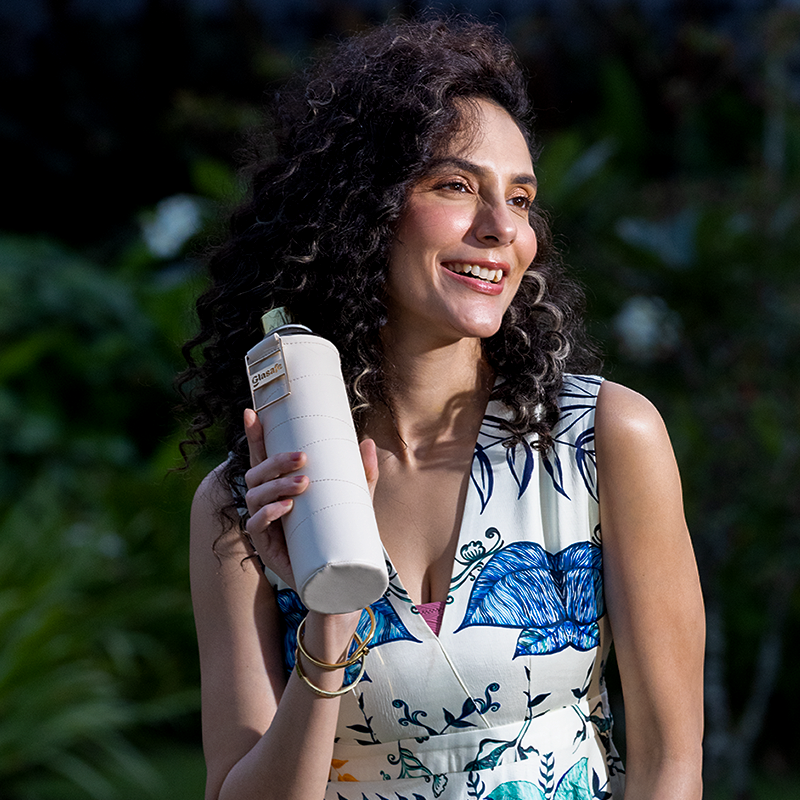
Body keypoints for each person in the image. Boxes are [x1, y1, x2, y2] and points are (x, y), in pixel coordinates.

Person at [182, 17, 705, 800]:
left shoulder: (600, 441)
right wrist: (328, 622)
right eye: (456, 186)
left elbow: (671, 765)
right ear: (362, 209)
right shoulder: (250, 501)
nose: (502, 229)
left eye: (520, 198)